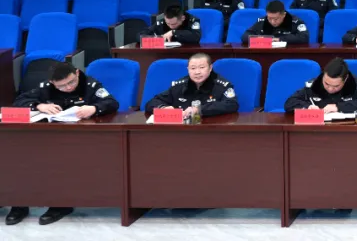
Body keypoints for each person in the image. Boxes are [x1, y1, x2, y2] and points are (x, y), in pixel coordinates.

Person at [8, 62, 121, 225]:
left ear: (77, 73)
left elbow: (111, 103)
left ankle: (60, 204)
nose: (68, 87)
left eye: (71, 82)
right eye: (61, 86)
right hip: (49, 138)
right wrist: (39, 105)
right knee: (20, 156)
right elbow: (19, 101)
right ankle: (19, 203)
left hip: (84, 139)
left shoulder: (90, 84)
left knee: (59, 160)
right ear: (52, 83)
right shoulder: (46, 87)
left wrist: (94, 108)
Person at [144, 52, 239, 118]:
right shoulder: (179, 85)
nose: (197, 72)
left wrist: (199, 110)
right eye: (193, 68)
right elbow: (151, 103)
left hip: (212, 130)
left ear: (210, 68)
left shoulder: (221, 85)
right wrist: (163, 108)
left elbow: (232, 104)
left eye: (202, 67)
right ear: (188, 69)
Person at [283, 57, 357, 114]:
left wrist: (338, 107)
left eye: (336, 86)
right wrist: (308, 107)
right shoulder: (314, 84)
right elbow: (289, 103)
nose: (330, 89)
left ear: (345, 79)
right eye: (326, 84)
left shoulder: (355, 84)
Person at [239, 0, 310, 46]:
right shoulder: (262, 21)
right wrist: (261, 39)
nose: (272, 22)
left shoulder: (295, 21)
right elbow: (244, 37)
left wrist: (280, 39)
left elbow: (304, 37)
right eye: (269, 18)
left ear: (284, 15)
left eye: (276, 19)